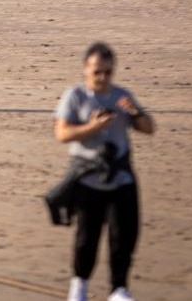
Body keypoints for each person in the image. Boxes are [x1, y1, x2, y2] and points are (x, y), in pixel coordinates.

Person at [53, 43, 154, 301]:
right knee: (88, 236)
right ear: (86, 69)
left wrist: (134, 112)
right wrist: (93, 127)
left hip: (121, 178)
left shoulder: (122, 96)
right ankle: (80, 286)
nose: (102, 77)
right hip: (88, 179)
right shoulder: (75, 96)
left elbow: (149, 128)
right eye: (97, 72)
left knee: (124, 236)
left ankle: (119, 289)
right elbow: (62, 134)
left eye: (107, 72)